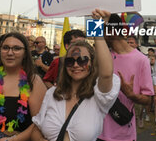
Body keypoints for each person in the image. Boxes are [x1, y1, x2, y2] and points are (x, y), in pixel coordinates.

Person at [31, 10, 120, 141]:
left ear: (92, 63)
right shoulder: (52, 94)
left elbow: (106, 74)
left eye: (83, 60)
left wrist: (98, 25)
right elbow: (36, 129)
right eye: (70, 61)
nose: (76, 65)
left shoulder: (99, 97)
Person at [98, 11, 154, 141]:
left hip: (123, 133)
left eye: (102, 29)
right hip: (97, 131)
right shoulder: (101, 57)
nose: (98, 35)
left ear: (111, 31)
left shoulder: (141, 60)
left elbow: (148, 100)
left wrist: (131, 95)